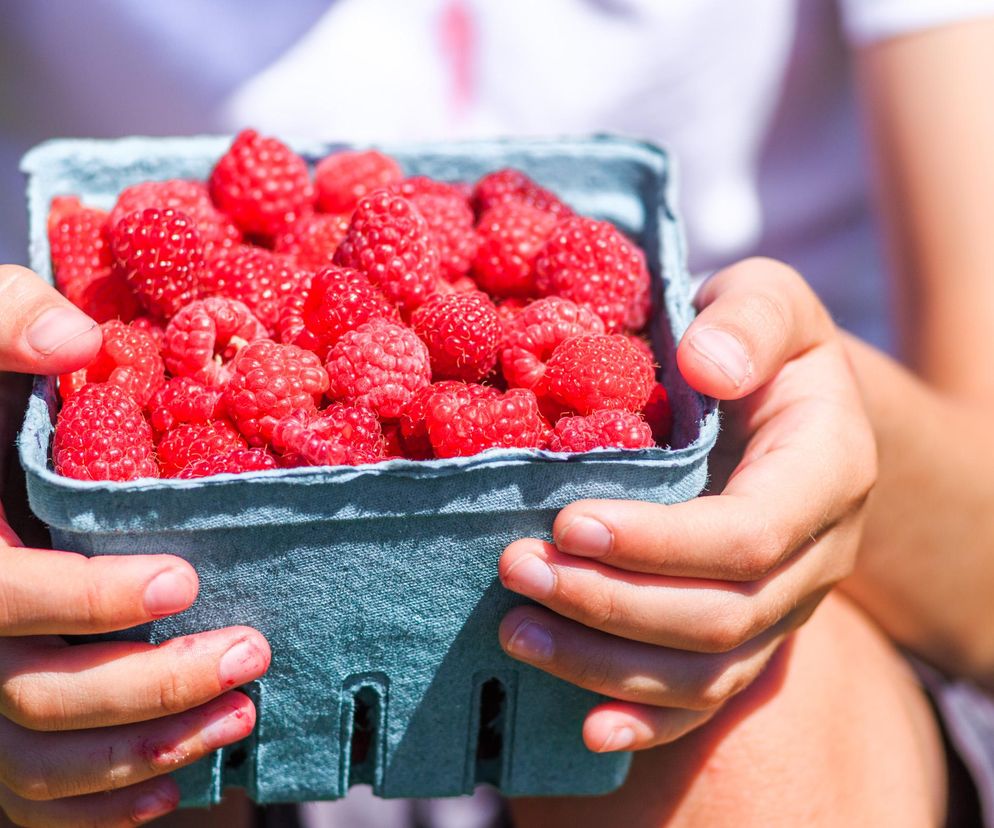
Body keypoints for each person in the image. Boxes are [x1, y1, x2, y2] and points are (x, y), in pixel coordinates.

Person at [1, 1, 993, 825]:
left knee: (751, 759)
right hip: (205, 596)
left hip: (727, 569)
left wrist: (794, 425)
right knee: (129, 743)